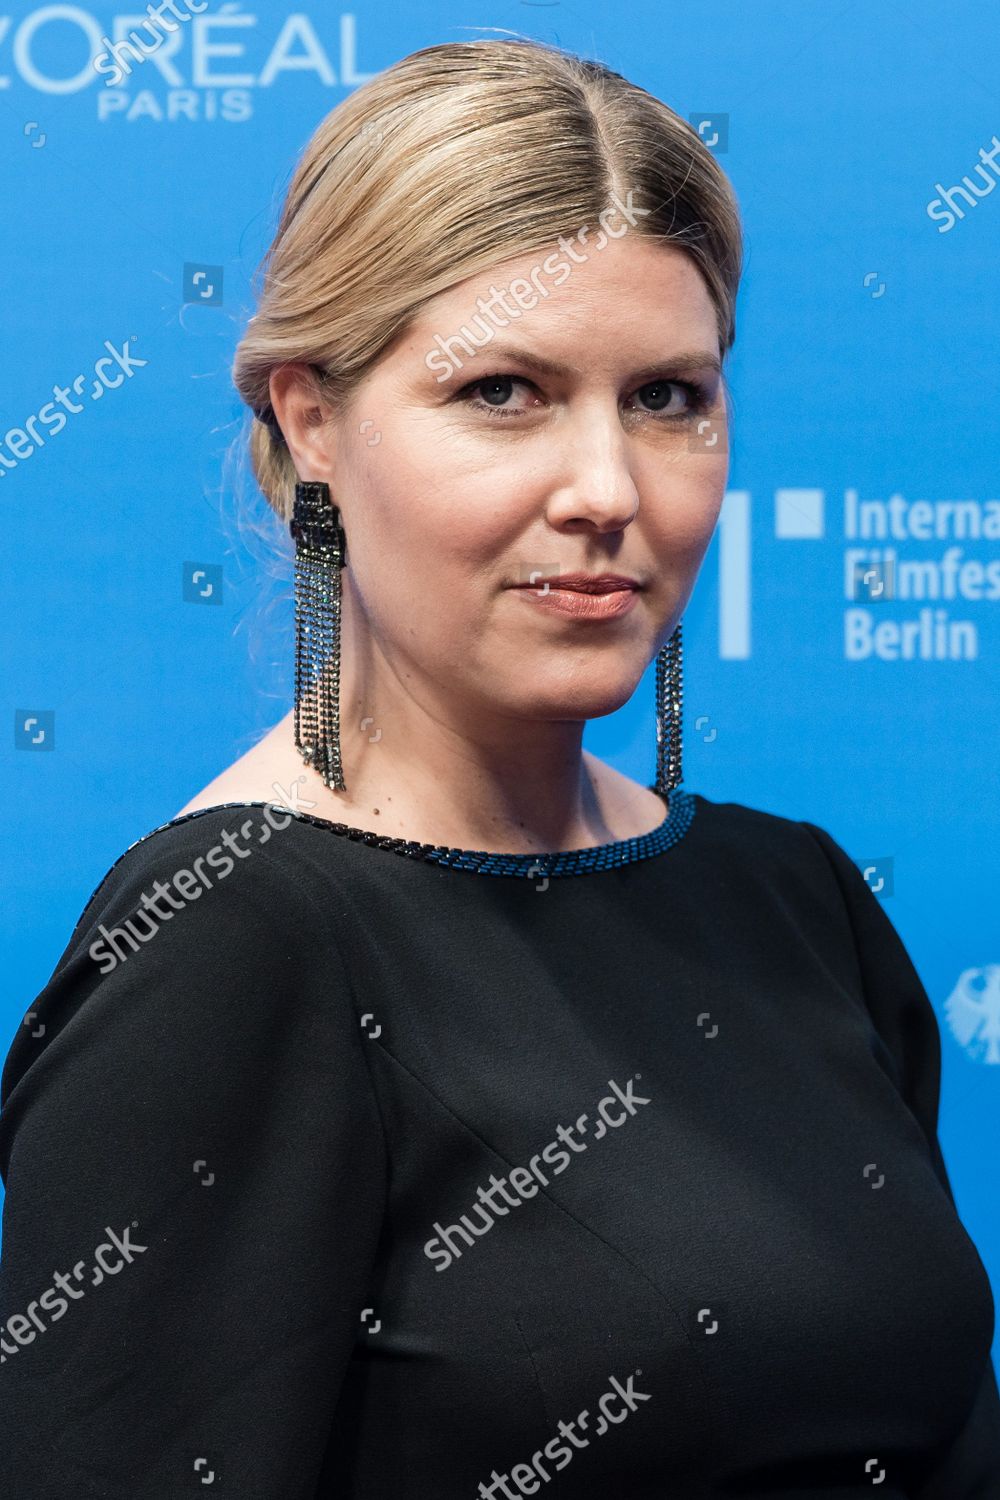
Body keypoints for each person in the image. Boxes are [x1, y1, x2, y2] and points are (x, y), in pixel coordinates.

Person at [2, 35, 998, 1500]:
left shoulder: (792, 898)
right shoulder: (227, 947)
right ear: (312, 419)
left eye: (667, 398)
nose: (606, 490)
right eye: (506, 394)